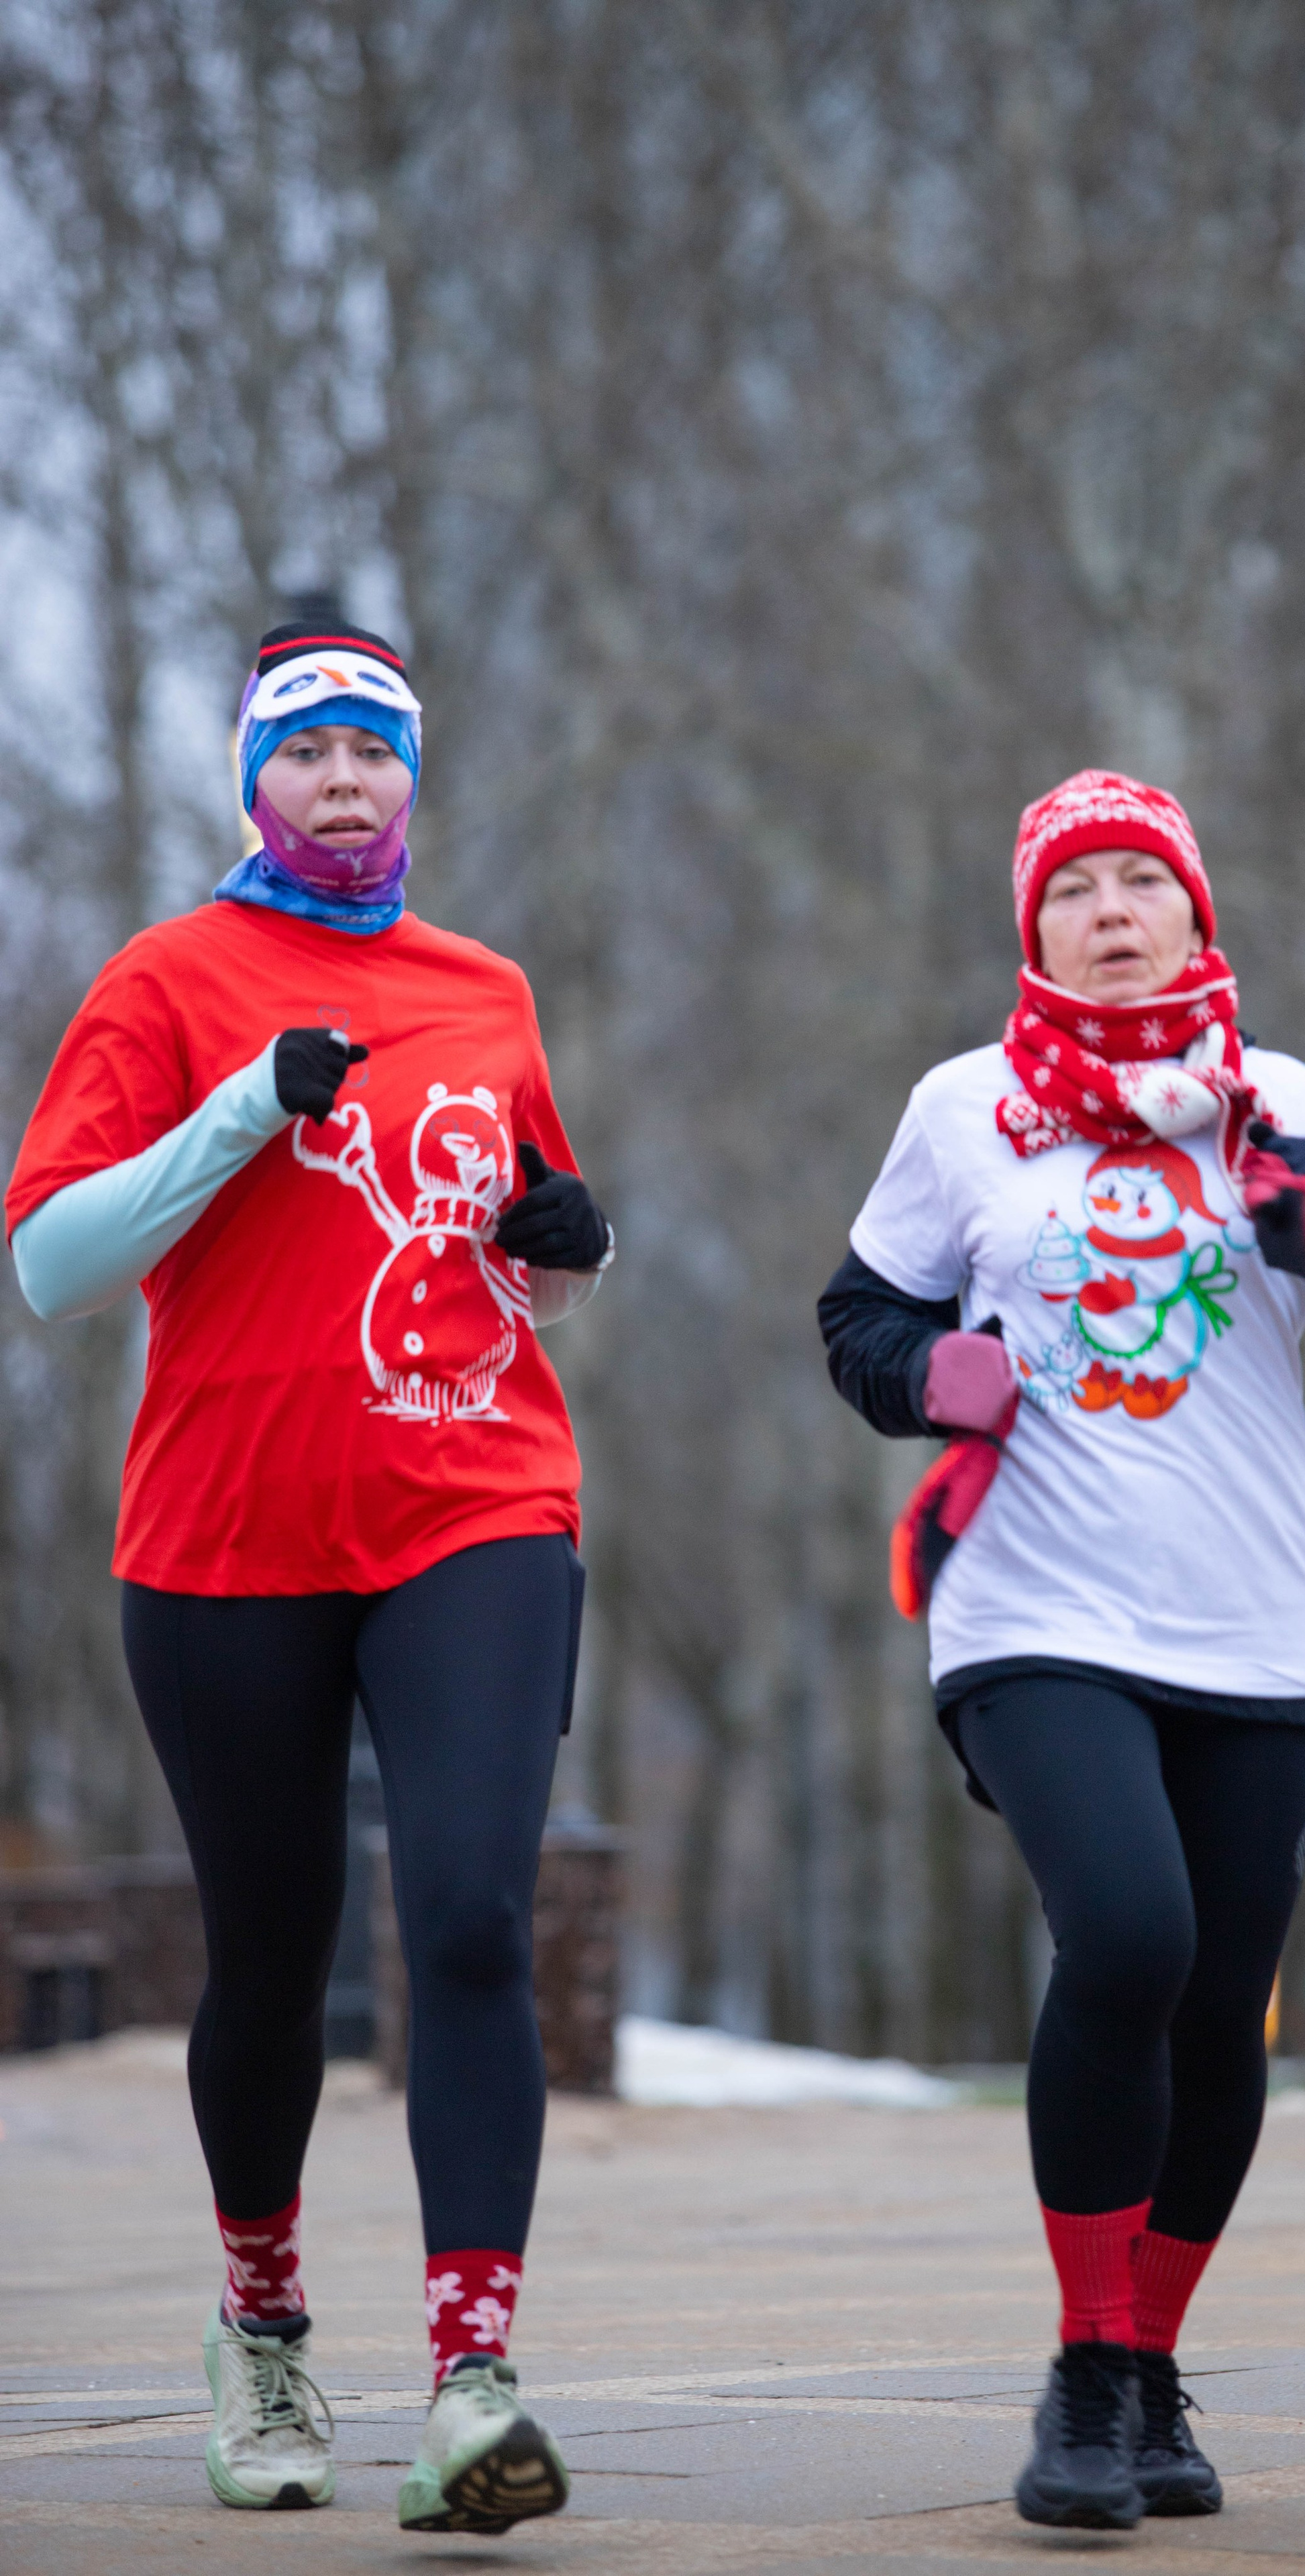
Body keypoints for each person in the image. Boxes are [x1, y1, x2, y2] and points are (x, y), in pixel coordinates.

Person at [819, 770, 1305, 2531]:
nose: (1110, 913)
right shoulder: (961, 1111)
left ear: (1196, 914)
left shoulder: (1291, 1107)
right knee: (1128, 1934)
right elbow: (860, 1314)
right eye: (1074, 890)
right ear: (1033, 933)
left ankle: (1148, 2369)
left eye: (1140, 882)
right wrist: (926, 1372)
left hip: (1255, 1623)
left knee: (1215, 2000)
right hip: (1033, 1609)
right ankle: (1086, 2369)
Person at [6, 621, 614, 2535]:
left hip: (473, 1503)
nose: (344, 781)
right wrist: (244, 1108)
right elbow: (52, 1266)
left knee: (472, 1921)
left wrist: (569, 1247)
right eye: (307, 751)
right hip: (228, 1537)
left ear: (411, 780)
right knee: (272, 1964)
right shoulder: (167, 980)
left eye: (374, 750)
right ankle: (263, 2326)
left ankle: (473, 2385)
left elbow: (509, 1253)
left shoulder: (484, 988)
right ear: (254, 782)